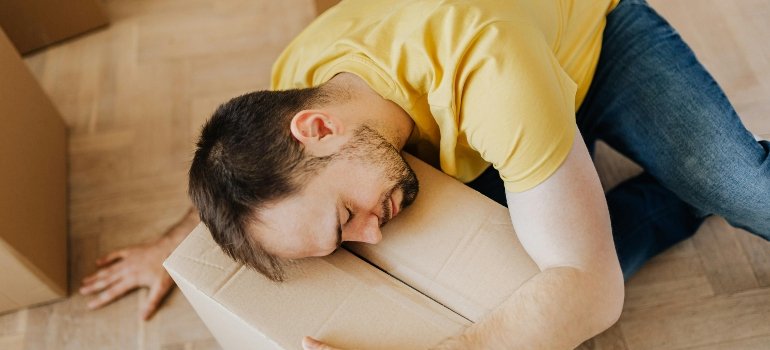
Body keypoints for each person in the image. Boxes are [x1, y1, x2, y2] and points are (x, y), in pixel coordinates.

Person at [80, 0, 770, 348]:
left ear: (317, 130)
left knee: (745, 189)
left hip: (593, 36)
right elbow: (243, 167)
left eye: (345, 218)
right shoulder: (301, 85)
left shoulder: (484, 68)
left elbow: (594, 296)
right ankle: (671, 191)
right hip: (518, 106)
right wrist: (175, 247)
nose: (372, 235)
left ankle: (695, 179)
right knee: (520, 286)